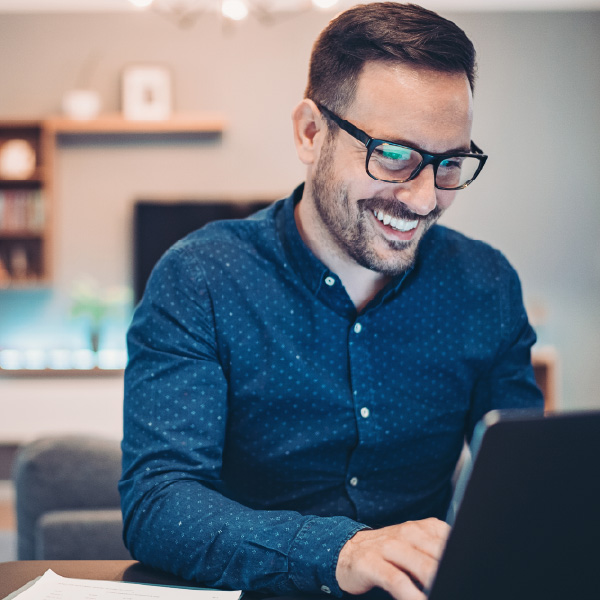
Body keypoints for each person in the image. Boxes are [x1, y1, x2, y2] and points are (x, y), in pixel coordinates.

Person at [120, 3, 543, 600]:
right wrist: (337, 551)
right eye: (394, 156)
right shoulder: (201, 277)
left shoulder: (487, 284)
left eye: (450, 163)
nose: (425, 200)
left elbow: (524, 487)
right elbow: (158, 502)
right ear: (311, 133)